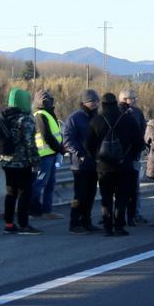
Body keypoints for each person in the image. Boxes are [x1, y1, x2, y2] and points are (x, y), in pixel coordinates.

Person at [85, 93, 143, 236]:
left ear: (103, 104)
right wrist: (132, 156)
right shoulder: (128, 119)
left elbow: (88, 144)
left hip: (104, 167)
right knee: (122, 197)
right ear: (115, 103)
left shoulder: (96, 121)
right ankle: (119, 226)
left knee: (106, 198)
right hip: (124, 165)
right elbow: (139, 143)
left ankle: (107, 227)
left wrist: (97, 157)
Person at [0, 88, 42, 235]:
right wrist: (35, 160)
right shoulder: (24, 118)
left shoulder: (2, 117)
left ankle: (9, 224)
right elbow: (30, 142)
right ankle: (23, 225)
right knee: (24, 193)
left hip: (6, 162)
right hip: (22, 163)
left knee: (10, 193)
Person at [64, 89, 100, 233]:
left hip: (94, 163)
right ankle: (75, 223)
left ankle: (87, 221)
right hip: (80, 164)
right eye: (92, 101)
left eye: (97, 101)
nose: (95, 104)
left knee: (91, 194)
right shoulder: (75, 118)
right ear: (84, 103)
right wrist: (80, 153)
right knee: (80, 195)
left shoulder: (97, 117)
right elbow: (67, 139)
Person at [29, 89, 66, 220]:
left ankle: (47, 210)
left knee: (50, 183)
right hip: (44, 156)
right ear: (44, 101)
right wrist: (59, 148)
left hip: (51, 154)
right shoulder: (40, 115)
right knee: (40, 182)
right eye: (49, 100)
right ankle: (30, 210)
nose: (52, 102)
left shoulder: (48, 114)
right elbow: (46, 136)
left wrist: (59, 148)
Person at [118, 89, 148, 226]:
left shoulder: (137, 113)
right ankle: (118, 215)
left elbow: (143, 131)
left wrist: (140, 148)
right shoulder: (116, 114)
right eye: (133, 98)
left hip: (133, 156)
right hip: (119, 157)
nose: (135, 101)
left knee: (134, 187)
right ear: (124, 99)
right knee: (119, 188)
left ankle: (135, 213)